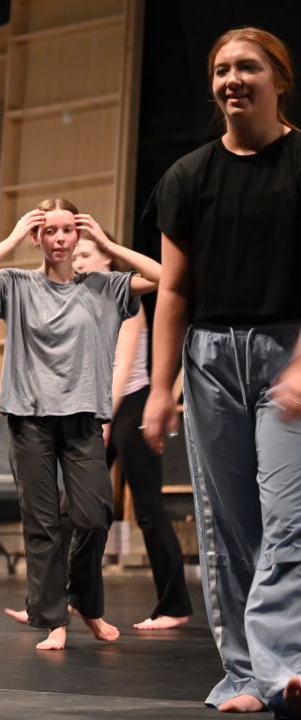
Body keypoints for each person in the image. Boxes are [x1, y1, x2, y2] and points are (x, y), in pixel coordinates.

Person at [141, 26, 301, 716]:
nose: (232, 79)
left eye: (248, 67)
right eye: (221, 70)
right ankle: (241, 676)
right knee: (229, 529)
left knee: (289, 519)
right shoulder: (188, 176)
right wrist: (159, 386)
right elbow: (174, 290)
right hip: (210, 358)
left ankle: (284, 668)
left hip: (286, 348)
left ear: (279, 79)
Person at [0, 198, 159, 651]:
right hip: (29, 417)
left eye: (69, 230)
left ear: (79, 235)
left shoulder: (104, 287)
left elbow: (166, 276)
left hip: (84, 417)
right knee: (42, 523)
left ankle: (85, 602)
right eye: (50, 231)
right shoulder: (17, 284)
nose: (61, 239)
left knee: (93, 516)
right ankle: (54, 621)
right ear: (38, 238)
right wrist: (11, 239)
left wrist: (109, 243)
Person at [70, 235, 192, 631]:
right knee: (75, 504)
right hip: (101, 405)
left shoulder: (124, 298)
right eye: (75, 257)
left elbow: (122, 366)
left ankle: (174, 605)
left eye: (86, 255)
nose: (78, 263)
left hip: (132, 403)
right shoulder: (81, 303)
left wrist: (103, 418)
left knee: (148, 510)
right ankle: (64, 597)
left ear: (108, 259)